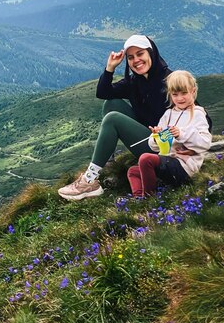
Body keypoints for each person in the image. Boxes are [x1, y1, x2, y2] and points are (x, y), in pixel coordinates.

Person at [58, 34, 172, 201]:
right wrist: (110, 68)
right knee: (112, 104)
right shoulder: (134, 82)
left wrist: (174, 136)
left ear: (151, 53)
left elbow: (200, 116)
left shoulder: (171, 80)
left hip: (164, 148)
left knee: (112, 118)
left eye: (140, 54)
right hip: (148, 138)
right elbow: (103, 93)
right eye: (131, 57)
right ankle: (107, 159)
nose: (136, 60)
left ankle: (89, 180)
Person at [127, 70, 212, 198]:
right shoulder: (168, 114)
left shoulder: (198, 114)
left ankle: (149, 197)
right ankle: (138, 199)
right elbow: (154, 146)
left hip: (184, 167)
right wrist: (156, 137)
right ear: (170, 94)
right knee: (133, 171)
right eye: (175, 94)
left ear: (193, 91)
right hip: (167, 163)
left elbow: (205, 143)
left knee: (145, 159)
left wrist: (181, 134)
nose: (180, 98)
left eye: (184, 93)